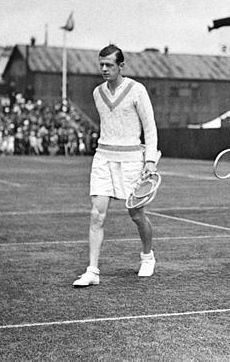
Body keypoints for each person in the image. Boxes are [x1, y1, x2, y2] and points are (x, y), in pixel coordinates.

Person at [73, 44, 159, 287]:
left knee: (136, 214)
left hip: (132, 160)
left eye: (109, 65)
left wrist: (150, 161)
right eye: (101, 64)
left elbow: (150, 128)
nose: (104, 69)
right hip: (103, 158)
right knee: (96, 215)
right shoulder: (97, 92)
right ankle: (92, 271)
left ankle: (147, 256)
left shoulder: (137, 90)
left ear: (121, 66)